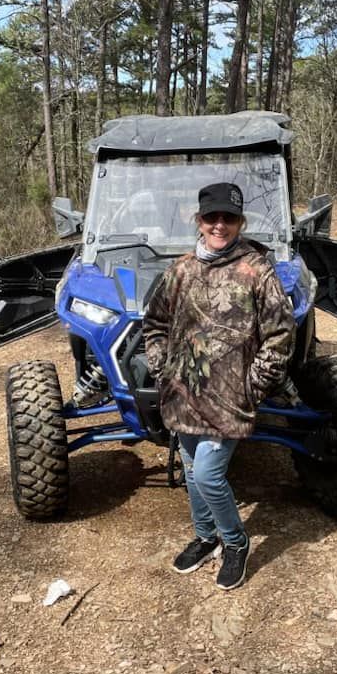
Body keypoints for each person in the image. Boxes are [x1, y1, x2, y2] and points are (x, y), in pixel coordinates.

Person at [143, 182, 296, 590]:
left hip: (230, 398)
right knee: (193, 472)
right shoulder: (180, 270)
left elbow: (281, 333)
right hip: (184, 392)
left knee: (209, 474)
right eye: (212, 217)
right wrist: (164, 368)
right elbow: (154, 322)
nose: (220, 225)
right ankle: (206, 536)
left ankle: (235, 542)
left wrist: (255, 383)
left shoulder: (256, 270)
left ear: (240, 222)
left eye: (229, 218)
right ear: (199, 221)